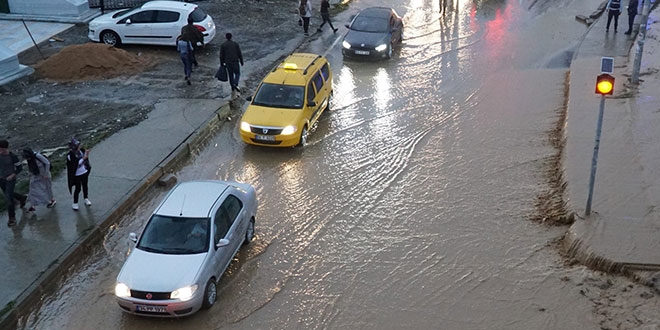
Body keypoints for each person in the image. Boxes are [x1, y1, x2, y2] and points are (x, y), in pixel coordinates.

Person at [0, 139, 27, 226]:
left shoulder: (13, 157)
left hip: (10, 180)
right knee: (9, 194)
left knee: (8, 199)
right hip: (1, 179)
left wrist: (12, 175)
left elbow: (19, 168)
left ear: (4, 148)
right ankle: (21, 198)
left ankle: (12, 218)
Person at [22, 148, 56, 212]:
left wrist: (46, 173)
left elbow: (47, 163)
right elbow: (31, 167)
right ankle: (33, 205)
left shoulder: (37, 156)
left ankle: (52, 200)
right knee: (32, 189)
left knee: (47, 188)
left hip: (45, 175)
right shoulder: (30, 159)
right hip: (36, 175)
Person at [66, 138, 92, 211]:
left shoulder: (81, 151)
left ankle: (86, 198)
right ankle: (75, 203)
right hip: (77, 175)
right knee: (78, 188)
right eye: (78, 145)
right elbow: (75, 164)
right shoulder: (70, 155)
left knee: (85, 186)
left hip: (84, 172)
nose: (80, 146)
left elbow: (85, 160)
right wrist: (84, 158)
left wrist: (86, 154)